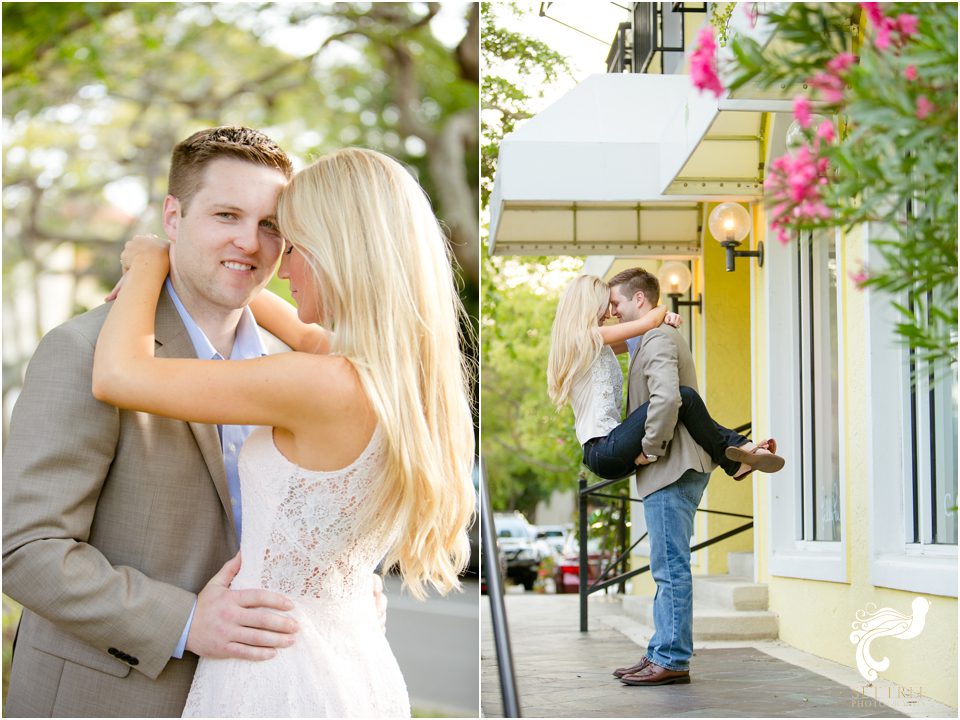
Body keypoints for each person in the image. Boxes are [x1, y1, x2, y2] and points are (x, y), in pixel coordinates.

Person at [1, 127, 386, 717]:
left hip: (265, 691)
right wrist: (184, 622)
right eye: (226, 215)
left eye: (270, 226)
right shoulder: (83, 350)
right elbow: (24, 549)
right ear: (173, 217)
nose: (249, 244)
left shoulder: (304, 370)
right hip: (108, 696)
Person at [90, 146, 475, 716]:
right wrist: (223, 273)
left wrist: (151, 260)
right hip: (347, 658)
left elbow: (118, 374)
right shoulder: (405, 381)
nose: (281, 265)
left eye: (291, 246)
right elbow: (307, 331)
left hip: (275, 673)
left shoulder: (318, 385)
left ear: (338, 255)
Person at [604, 267, 780, 687]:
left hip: (672, 466)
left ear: (639, 300)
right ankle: (658, 651)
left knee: (671, 570)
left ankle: (672, 659)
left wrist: (649, 448)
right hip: (674, 467)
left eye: (616, 304)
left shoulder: (659, 338)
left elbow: (666, 398)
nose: (613, 312)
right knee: (666, 568)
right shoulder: (650, 334)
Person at [547, 274, 784, 482]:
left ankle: (739, 459)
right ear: (588, 305)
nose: (609, 313)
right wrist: (663, 311)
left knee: (683, 401)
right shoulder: (586, 337)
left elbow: (641, 333)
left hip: (613, 446)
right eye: (605, 305)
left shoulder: (597, 343)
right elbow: (648, 322)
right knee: (684, 396)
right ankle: (740, 453)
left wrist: (663, 321)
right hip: (604, 449)